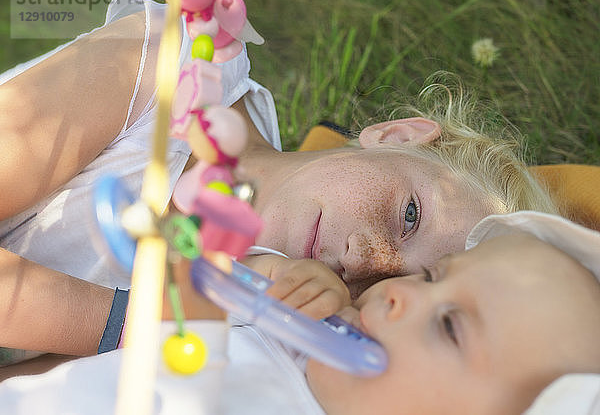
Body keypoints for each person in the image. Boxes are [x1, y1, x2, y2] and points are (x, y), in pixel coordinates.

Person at [0, 0, 557, 366]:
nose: (363, 262)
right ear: (395, 136)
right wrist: (137, 324)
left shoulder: (262, 327)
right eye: (408, 216)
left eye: (385, 291)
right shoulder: (169, 74)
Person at [0, 210, 598, 415]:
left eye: (448, 326)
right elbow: (197, 313)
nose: (402, 293)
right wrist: (279, 279)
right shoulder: (293, 334)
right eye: (431, 276)